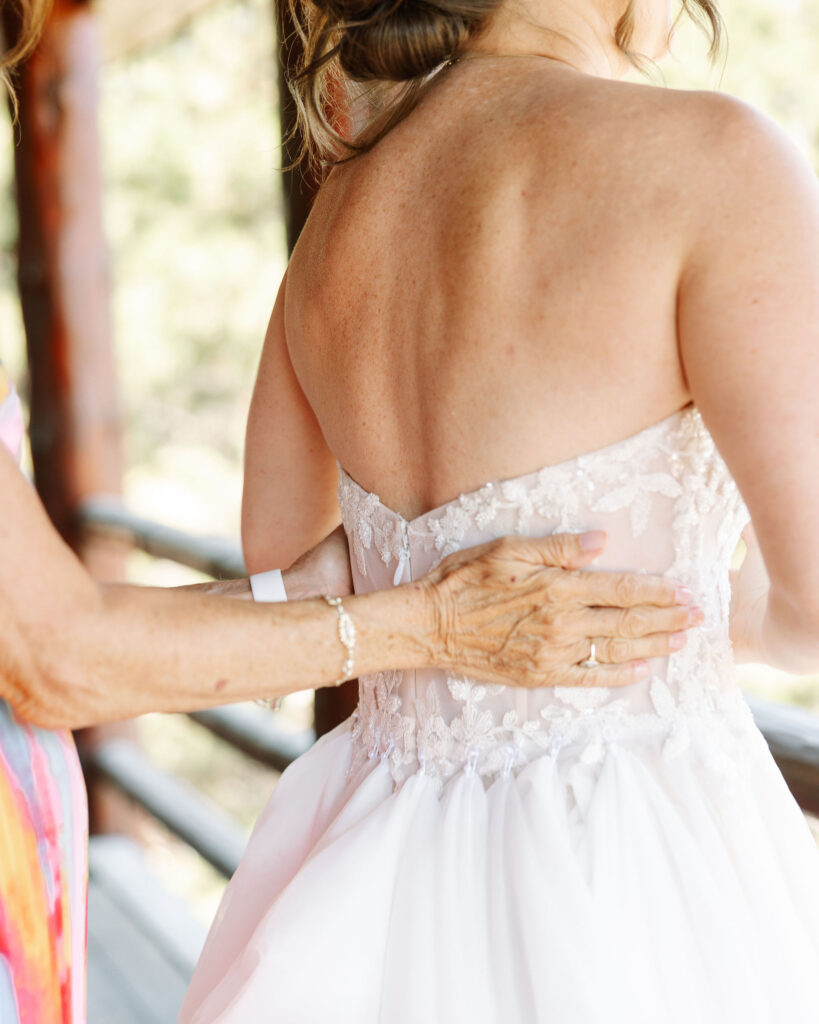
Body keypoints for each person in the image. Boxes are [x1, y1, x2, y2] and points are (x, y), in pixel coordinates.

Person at [0, 10, 697, 1022]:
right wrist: (431, 619)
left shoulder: (341, 220)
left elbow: (83, 607)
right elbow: (49, 654)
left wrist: (347, 580)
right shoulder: (709, 160)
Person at [179, 0, 819, 1018]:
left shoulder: (340, 212)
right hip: (636, 859)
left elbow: (281, 559)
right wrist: (680, 603)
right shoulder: (719, 165)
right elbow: (814, 602)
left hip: (376, 869)